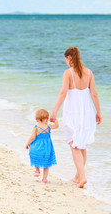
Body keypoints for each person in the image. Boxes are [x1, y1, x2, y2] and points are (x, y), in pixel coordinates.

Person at [50, 46, 102, 188]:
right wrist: (98, 112)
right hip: (87, 112)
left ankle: (82, 177)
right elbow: (94, 94)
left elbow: (63, 93)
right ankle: (78, 176)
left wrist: (54, 112)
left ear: (68, 58)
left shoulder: (68, 73)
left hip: (72, 112)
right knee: (81, 145)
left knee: (74, 145)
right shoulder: (89, 73)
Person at [26, 109, 59, 183]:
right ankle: (44, 179)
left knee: (35, 156)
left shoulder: (36, 128)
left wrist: (27, 143)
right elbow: (57, 126)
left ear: (37, 119)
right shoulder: (48, 127)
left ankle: (37, 170)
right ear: (47, 119)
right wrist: (55, 120)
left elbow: (32, 137)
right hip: (47, 147)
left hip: (37, 146)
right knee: (46, 163)